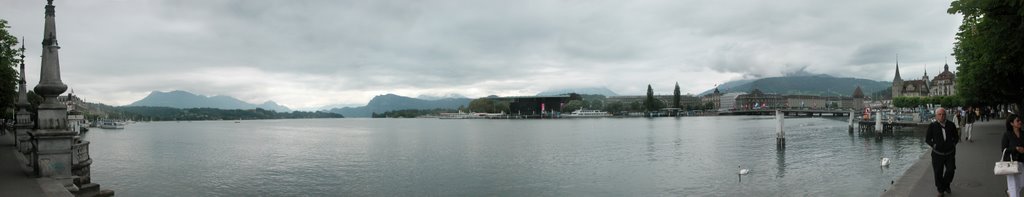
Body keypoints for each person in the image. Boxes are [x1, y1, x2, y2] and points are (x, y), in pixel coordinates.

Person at [926, 107, 959, 195]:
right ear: (936, 116)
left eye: (943, 114)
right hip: (937, 154)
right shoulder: (932, 126)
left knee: (951, 170)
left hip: (949, 153)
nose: (942, 116)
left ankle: (946, 185)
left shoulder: (951, 125)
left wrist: (953, 144)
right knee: (938, 173)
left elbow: (956, 137)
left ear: (946, 115)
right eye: (939, 114)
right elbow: (927, 139)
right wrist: (934, 145)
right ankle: (941, 190)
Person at [1004, 114, 1024, 197]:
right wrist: (1015, 149)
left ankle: (1009, 192)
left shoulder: (1023, 134)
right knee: (1013, 187)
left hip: (1022, 162)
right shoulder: (1007, 135)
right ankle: (1012, 193)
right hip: (1011, 162)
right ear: (1012, 123)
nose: (1020, 122)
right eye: (1017, 121)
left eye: (1020, 120)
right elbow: (1004, 150)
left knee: (1021, 184)